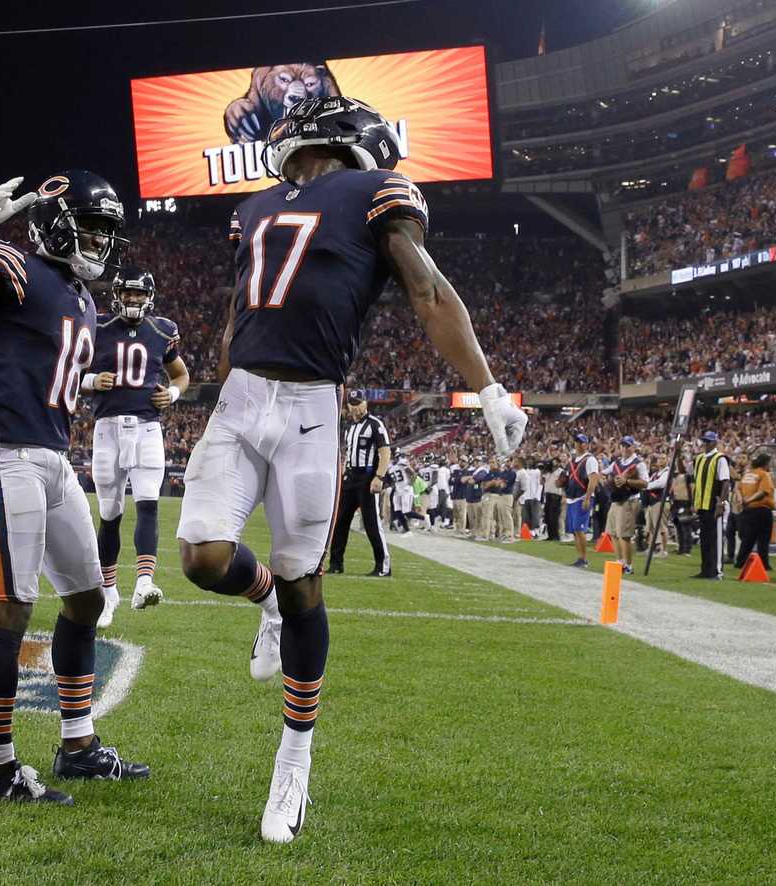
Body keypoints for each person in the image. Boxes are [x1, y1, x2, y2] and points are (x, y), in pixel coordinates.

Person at [174, 96, 527, 843]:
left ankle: (294, 760)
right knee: (202, 557)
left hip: (309, 408)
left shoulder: (375, 195)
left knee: (308, 584)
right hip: (241, 401)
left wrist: (487, 385)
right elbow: (239, 313)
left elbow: (426, 289)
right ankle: (260, 597)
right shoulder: (255, 207)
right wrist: (219, 382)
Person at [0, 171, 147, 807]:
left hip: (55, 461)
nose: (103, 240)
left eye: (110, 229)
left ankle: (76, 746)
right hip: (9, 455)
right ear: (55, 219)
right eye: (94, 225)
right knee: (13, 609)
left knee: (83, 602)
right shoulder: (13, 263)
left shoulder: (81, 295)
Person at [84, 266, 190, 627]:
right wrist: (91, 379)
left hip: (147, 428)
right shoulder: (97, 327)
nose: (133, 300)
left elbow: (181, 374)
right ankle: (108, 593)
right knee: (110, 513)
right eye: (128, 293)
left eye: (139, 294)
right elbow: (67, 369)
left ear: (150, 296)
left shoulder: (162, 329)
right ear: (117, 294)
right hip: (107, 429)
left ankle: (144, 582)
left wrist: (172, 394)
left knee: (148, 504)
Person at [328, 392, 393, 575]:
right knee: (340, 521)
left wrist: (379, 477)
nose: (356, 407)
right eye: (353, 403)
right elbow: (348, 454)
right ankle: (336, 563)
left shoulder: (375, 424)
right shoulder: (350, 427)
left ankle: (383, 566)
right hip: (350, 478)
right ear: (348, 405)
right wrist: (342, 475)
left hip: (367, 478)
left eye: (359, 403)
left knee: (371, 522)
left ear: (366, 403)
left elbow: (385, 452)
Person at [692, 431, 732, 580]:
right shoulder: (700, 458)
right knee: (705, 538)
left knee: (715, 538)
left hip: (713, 503)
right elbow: (696, 482)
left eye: (709, 442)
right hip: (702, 504)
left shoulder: (719, 458)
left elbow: (725, 481)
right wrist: (694, 502)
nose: (706, 444)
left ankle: (716, 570)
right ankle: (705, 568)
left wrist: (721, 503)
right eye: (705, 441)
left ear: (715, 443)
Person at [607, 436, 649, 574]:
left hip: (629, 500)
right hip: (616, 500)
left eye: (628, 446)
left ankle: (628, 565)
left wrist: (627, 481)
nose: (625, 448)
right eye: (623, 446)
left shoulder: (639, 463)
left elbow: (644, 483)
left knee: (624, 535)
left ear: (633, 447)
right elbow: (605, 473)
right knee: (613, 533)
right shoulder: (617, 463)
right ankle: (620, 561)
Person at [734, 451, 775, 572]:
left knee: (747, 538)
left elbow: (738, 488)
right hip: (762, 510)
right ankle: (764, 563)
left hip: (748, 510)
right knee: (763, 539)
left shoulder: (747, 474)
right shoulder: (764, 475)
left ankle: (740, 561)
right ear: (765, 463)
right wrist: (749, 500)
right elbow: (763, 492)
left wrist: (742, 500)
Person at [564, 434, 601, 567]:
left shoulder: (590, 459)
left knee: (580, 529)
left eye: (582, 442)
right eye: (577, 442)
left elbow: (593, 479)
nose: (579, 444)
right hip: (572, 498)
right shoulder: (573, 460)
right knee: (574, 530)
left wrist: (587, 497)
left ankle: (584, 559)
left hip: (582, 497)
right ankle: (579, 557)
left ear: (587, 444)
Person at [643, 452, 671, 558]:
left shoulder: (667, 472)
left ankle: (664, 550)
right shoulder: (655, 473)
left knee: (662, 527)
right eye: (659, 458)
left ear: (667, 460)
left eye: (663, 458)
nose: (661, 460)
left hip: (661, 501)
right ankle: (651, 549)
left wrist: (647, 485)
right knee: (651, 527)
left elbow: (661, 483)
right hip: (652, 502)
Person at [387, 448, 417, 533]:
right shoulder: (400, 464)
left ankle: (398, 524)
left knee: (399, 509)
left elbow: (413, 475)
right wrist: (409, 485)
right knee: (403, 509)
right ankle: (399, 524)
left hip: (398, 489)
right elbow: (414, 475)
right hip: (401, 489)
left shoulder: (390, 465)